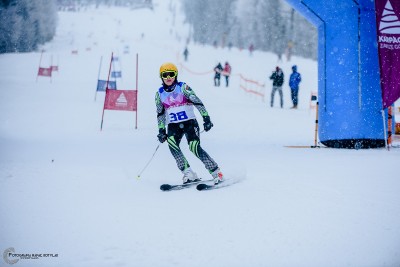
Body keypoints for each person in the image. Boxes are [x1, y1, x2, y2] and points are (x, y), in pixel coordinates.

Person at [155, 62, 224, 185]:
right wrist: (161, 130)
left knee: (194, 147)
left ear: (175, 75)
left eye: (171, 74)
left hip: (189, 123)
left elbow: (197, 101)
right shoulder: (159, 94)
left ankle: (216, 172)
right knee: (172, 145)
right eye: (165, 75)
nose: (168, 78)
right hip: (173, 125)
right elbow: (160, 114)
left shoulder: (183, 87)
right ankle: (188, 173)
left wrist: (206, 118)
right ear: (161, 77)